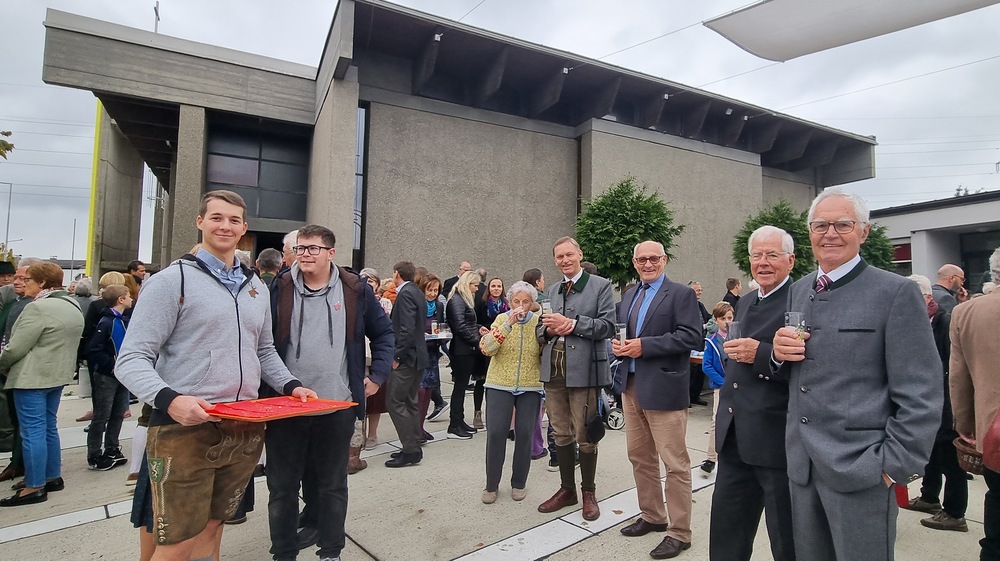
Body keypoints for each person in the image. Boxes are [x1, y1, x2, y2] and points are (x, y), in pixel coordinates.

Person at [115, 190, 316, 560]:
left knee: (214, 527)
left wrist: (291, 385)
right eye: (217, 217)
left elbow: (263, 350)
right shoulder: (171, 281)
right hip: (185, 427)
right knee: (177, 543)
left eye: (234, 220)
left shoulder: (255, 286)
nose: (226, 226)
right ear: (200, 222)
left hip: (242, 424)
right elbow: (130, 359)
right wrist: (170, 401)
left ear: (244, 228)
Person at [772, 187, 943, 561]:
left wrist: (892, 467)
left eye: (843, 224)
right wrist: (777, 354)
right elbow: (801, 374)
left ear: (863, 231)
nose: (830, 233)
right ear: (810, 232)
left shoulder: (895, 292)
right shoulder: (798, 290)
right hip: (803, 468)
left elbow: (922, 393)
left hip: (863, 470)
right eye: (820, 225)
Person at [267, 224, 394, 561]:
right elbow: (264, 342)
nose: (305, 254)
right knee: (282, 488)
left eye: (313, 248)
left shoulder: (355, 289)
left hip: (336, 405)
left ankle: (331, 552)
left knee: (333, 486)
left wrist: (377, 376)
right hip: (286, 407)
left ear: (331, 253)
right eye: (300, 248)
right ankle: (284, 553)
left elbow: (384, 334)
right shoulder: (280, 286)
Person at [711, 225, 797, 561]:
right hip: (734, 438)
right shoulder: (745, 301)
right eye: (757, 255)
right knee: (726, 537)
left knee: (786, 542)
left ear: (790, 260)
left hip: (776, 442)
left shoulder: (800, 301)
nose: (763, 262)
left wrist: (761, 354)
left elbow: (812, 368)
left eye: (772, 255)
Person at [613, 240, 702, 558]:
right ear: (634, 262)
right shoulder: (629, 295)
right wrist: (619, 345)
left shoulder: (681, 294)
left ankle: (679, 532)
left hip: (664, 388)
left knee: (674, 463)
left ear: (664, 260)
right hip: (631, 385)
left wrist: (644, 346)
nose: (648, 264)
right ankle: (652, 515)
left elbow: (692, 336)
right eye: (642, 259)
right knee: (640, 457)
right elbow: (625, 333)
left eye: (654, 258)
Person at [536, 236, 615, 521]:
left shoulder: (600, 286)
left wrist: (572, 324)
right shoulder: (552, 290)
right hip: (554, 370)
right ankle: (567, 489)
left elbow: (608, 326)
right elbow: (540, 329)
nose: (565, 260)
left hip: (585, 370)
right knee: (560, 432)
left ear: (579, 255)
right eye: (559, 257)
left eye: (569, 254)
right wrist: (548, 331)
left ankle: (588, 492)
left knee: (585, 433)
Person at [0, 261, 84, 506]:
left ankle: (34, 486)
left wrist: (2, 363)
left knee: (32, 432)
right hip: (57, 376)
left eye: (27, 280)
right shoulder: (71, 304)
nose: (22, 284)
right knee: (48, 427)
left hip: (31, 378)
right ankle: (51, 476)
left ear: (42, 282)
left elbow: (16, 347)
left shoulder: (37, 308)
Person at [900, 274, 969, 532]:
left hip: (946, 401)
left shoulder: (944, 321)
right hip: (925, 399)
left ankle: (955, 513)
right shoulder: (915, 322)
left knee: (950, 456)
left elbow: (954, 366)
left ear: (927, 298)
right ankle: (929, 497)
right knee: (930, 451)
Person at [950, 246, 1000, 560]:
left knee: (997, 504)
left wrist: (966, 426)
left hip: (992, 431)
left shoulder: (967, 311)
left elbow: (959, 377)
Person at [478, 281, 544, 504]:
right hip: (499, 384)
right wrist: (508, 325)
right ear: (510, 302)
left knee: (524, 434)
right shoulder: (501, 319)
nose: (521, 306)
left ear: (532, 303)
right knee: (496, 433)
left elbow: (545, 351)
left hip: (530, 386)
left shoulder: (538, 323)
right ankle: (491, 485)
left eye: (526, 302)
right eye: (516, 301)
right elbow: (487, 348)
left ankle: (519, 483)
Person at [385, 260, 430, 468]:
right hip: (418, 356)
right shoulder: (417, 292)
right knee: (410, 402)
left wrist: (397, 356)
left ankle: (411, 449)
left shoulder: (405, 294)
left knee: (394, 402)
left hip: (407, 357)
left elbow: (407, 329)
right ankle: (413, 446)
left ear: (397, 274)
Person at [84, 284, 133, 471]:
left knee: (118, 414)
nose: (131, 299)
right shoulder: (106, 322)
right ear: (121, 299)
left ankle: (112, 448)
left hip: (122, 374)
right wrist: (111, 365)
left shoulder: (124, 320)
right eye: (128, 295)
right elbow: (93, 349)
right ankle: (94, 454)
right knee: (101, 416)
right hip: (107, 375)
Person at [446, 270, 485, 439]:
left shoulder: (461, 299)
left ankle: (459, 421)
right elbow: (460, 326)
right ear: (467, 284)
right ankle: (454, 425)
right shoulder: (457, 300)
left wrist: (478, 328)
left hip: (465, 348)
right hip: (462, 350)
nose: (477, 289)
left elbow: (466, 324)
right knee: (460, 388)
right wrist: (477, 341)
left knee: (461, 388)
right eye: (475, 285)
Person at [699, 301, 732, 477]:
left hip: (739, 386)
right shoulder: (711, 341)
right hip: (721, 387)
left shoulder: (738, 337)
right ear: (716, 320)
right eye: (723, 318)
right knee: (717, 421)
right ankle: (711, 458)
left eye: (730, 318)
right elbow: (707, 366)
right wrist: (723, 382)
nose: (727, 322)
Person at [473, 277, 509, 430]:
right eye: (493, 286)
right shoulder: (482, 303)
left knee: (498, 382)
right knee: (482, 380)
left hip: (502, 346)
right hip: (486, 345)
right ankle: (477, 412)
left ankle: (496, 414)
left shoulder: (506, 305)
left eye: (499, 286)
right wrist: (480, 328)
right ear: (489, 288)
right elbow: (474, 321)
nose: (496, 289)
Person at [417, 273, 445, 442]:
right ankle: (415, 429)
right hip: (418, 353)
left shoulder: (438, 306)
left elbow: (441, 326)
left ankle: (420, 427)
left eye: (436, 290)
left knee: (428, 391)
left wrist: (444, 335)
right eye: (430, 290)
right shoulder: (417, 304)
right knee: (419, 391)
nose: (433, 293)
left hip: (432, 352)